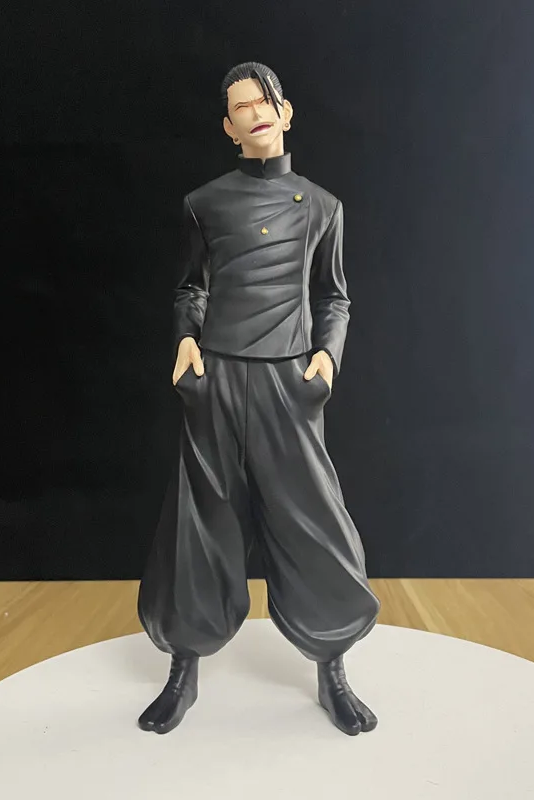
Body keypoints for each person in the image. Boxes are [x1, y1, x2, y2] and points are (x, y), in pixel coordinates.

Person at [137, 61, 380, 736]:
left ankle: (332, 668)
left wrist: (326, 358)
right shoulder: (204, 202)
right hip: (216, 376)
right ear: (229, 126)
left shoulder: (323, 206)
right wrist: (186, 341)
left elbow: (334, 297)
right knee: (199, 523)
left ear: (286, 111)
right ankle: (183, 668)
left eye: (265, 100)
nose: (257, 111)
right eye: (242, 106)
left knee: (312, 521)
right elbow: (192, 286)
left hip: (289, 382)